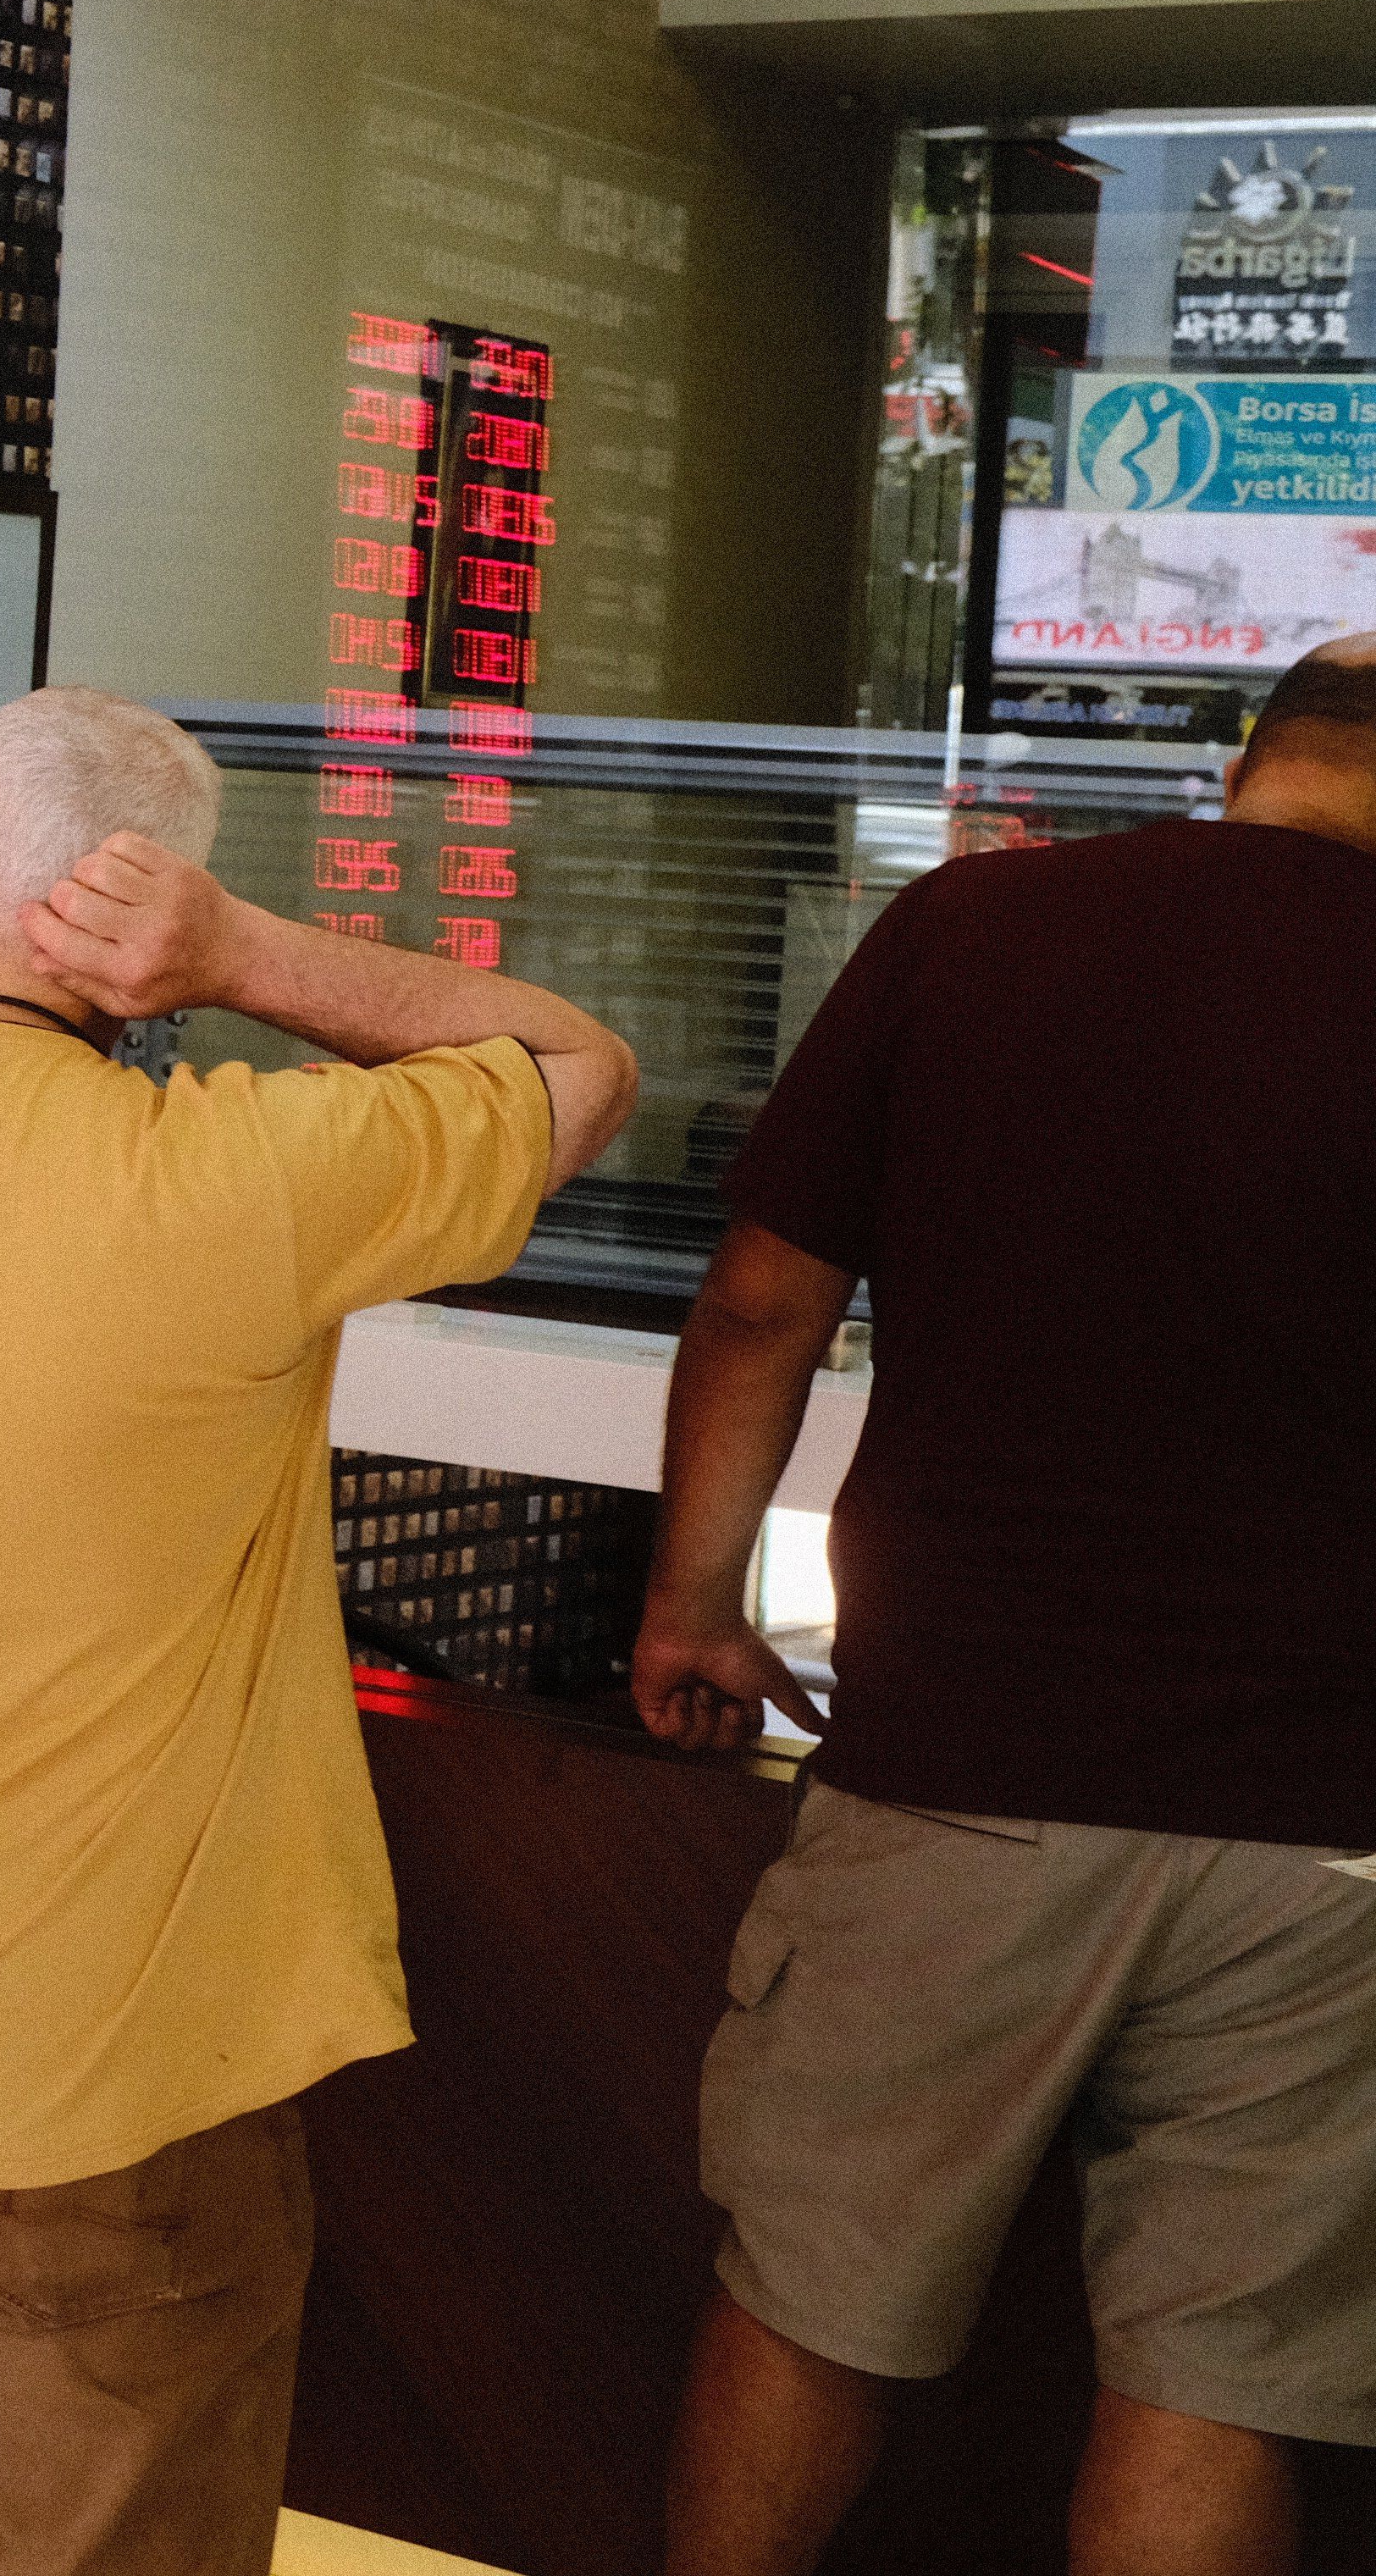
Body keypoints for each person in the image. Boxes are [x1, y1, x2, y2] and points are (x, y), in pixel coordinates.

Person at [0, 689, 636, 2576]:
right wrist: (252, 955)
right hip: (119, 2086)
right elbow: (579, 1064)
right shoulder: (242, 1178)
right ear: (154, 921)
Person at [635, 636, 1376, 2576]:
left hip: (959, 1764)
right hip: (1333, 1821)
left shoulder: (976, 926)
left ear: (1247, 754)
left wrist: (696, 1604)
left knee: (814, 2295)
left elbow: (760, 1302)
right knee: (1220, 2374)